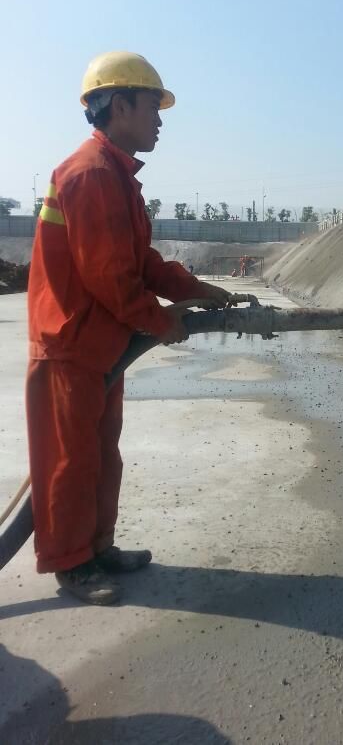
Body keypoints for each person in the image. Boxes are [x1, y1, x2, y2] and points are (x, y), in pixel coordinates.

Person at [26, 51, 231, 605]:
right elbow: (110, 279)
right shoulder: (91, 175)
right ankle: (74, 564)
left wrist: (199, 291)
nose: (160, 121)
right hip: (71, 343)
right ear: (120, 106)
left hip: (99, 346)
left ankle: (96, 547)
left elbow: (141, 265)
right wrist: (159, 322)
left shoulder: (117, 178)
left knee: (99, 454)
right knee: (71, 460)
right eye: (153, 107)